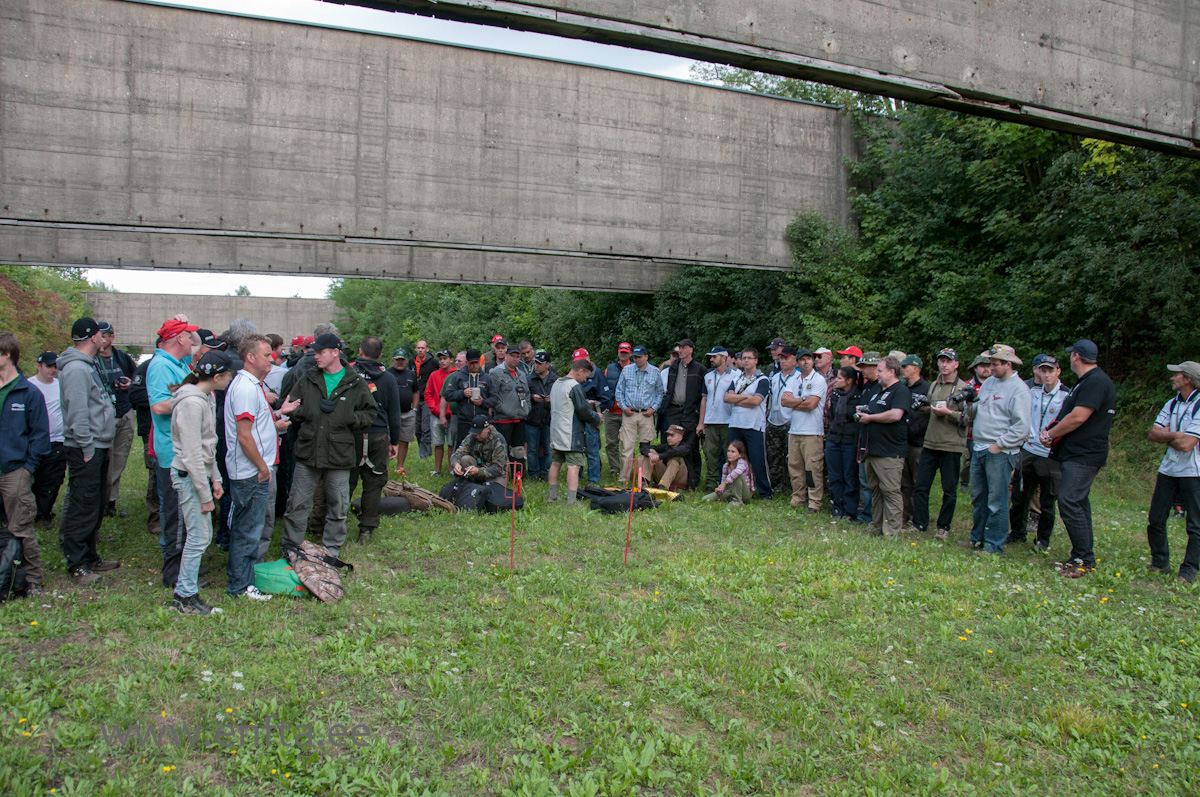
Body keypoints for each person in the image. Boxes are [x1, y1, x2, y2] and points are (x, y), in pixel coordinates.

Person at [282, 334, 377, 559]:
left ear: (335, 352)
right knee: (298, 504)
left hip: (339, 453)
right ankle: (290, 548)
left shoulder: (354, 381)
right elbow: (289, 406)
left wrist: (348, 418)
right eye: (314, 352)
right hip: (309, 451)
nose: (315, 356)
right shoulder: (309, 378)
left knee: (338, 505)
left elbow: (370, 412)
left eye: (320, 352)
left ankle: (331, 549)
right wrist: (306, 412)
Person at [225, 334, 299, 599]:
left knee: (254, 528)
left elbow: (256, 426)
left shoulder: (253, 385)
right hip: (251, 472)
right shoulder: (245, 388)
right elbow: (244, 435)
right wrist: (262, 467)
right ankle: (240, 586)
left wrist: (279, 413)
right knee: (247, 531)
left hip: (257, 468)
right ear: (250, 357)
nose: (273, 359)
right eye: (267, 355)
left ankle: (246, 578)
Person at [1041, 339, 1116, 579]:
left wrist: (1051, 434)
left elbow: (1078, 417)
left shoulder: (1095, 382)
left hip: (1084, 454)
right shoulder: (1088, 381)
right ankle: (1081, 556)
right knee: (1078, 503)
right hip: (1076, 452)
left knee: (1069, 501)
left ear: (1076, 356)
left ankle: (1084, 559)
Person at [169, 351, 233, 614]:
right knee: (198, 537)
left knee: (202, 535)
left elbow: (209, 445)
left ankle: (186, 592)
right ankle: (184, 597)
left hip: (200, 476)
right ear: (217, 376)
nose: (230, 380)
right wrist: (205, 495)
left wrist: (215, 477)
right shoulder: (191, 403)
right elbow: (192, 454)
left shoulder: (206, 396)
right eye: (228, 375)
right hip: (188, 476)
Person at [57, 317, 120, 585]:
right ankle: (77, 563)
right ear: (93, 337)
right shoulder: (76, 369)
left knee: (94, 503)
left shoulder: (88, 365)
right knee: (83, 503)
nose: (104, 339)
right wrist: (86, 445)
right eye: (100, 335)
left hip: (98, 443)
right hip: (86, 446)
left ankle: (90, 555)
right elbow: (77, 412)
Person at [959, 345, 1031, 555]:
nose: (990, 368)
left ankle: (994, 545)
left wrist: (999, 445)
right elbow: (976, 411)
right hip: (979, 446)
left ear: (1009, 364)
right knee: (978, 496)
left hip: (999, 450)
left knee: (996, 500)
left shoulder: (1018, 389)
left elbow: (1021, 426)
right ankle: (977, 538)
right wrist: (969, 402)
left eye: (995, 364)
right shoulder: (989, 383)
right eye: (989, 363)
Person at [148, 317, 200, 589]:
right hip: (172, 455)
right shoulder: (160, 366)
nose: (193, 339)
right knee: (176, 517)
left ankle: (184, 569)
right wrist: (195, 397)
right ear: (179, 339)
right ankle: (174, 575)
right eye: (189, 335)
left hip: (184, 451)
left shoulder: (179, 364)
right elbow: (158, 406)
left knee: (186, 515)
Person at [0, 331, 50, 594]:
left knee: (20, 527)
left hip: (15, 470)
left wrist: (26, 469)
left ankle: (32, 580)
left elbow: (41, 437)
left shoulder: (28, 392)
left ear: (6, 355)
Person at [1008, 355, 1070, 551]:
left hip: (1049, 454)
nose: (1046, 375)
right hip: (1028, 450)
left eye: (1050, 371)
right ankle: (1017, 533)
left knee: (1047, 499)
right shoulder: (1032, 391)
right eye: (1043, 370)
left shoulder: (1066, 396)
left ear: (1058, 372)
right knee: (1019, 494)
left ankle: (1042, 540)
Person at [1146, 361, 1200, 583]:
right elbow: (1153, 434)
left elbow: (1188, 445)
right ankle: (1160, 563)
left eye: (1176, 375)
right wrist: (1177, 435)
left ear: (1187, 378)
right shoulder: (1171, 404)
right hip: (1168, 470)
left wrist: (1170, 435)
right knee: (1156, 518)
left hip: (1193, 472)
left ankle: (1188, 571)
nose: (1172, 378)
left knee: (1195, 525)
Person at [911, 349, 968, 539]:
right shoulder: (934, 385)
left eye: (948, 361)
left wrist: (949, 414)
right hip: (930, 443)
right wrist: (924, 408)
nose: (944, 365)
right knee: (921, 486)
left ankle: (944, 527)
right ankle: (919, 523)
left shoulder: (963, 388)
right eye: (941, 361)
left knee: (949, 490)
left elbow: (968, 419)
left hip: (951, 445)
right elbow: (929, 413)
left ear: (956, 365)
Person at [349, 337, 400, 543]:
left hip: (351, 432)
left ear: (360, 351)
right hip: (378, 434)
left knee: (345, 479)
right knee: (374, 482)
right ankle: (367, 528)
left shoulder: (348, 373)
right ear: (380, 355)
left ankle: (335, 522)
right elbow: (394, 413)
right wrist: (394, 441)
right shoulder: (387, 378)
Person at [855, 356, 911, 538]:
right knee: (875, 490)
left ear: (892, 372)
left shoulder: (900, 391)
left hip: (890, 451)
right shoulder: (879, 391)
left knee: (890, 491)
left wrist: (870, 418)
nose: (876, 374)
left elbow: (895, 415)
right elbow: (877, 410)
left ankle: (892, 531)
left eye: (880, 370)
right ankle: (876, 524)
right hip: (872, 449)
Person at [95, 321, 136, 518]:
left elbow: (137, 379)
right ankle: (99, 502)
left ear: (112, 338)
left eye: (105, 336)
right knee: (104, 460)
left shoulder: (122, 358)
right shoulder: (91, 360)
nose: (102, 340)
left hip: (124, 411)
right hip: (103, 416)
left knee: (119, 459)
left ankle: (111, 502)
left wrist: (130, 386)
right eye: (98, 335)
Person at [548, 358, 602, 504]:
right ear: (580, 371)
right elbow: (583, 411)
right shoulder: (574, 386)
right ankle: (571, 501)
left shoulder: (556, 383)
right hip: (571, 432)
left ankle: (552, 496)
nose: (585, 379)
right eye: (586, 375)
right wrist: (596, 417)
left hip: (556, 430)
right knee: (574, 465)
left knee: (556, 462)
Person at [782, 348, 827, 513]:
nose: (806, 362)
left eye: (809, 359)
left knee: (812, 468)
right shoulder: (794, 379)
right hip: (795, 430)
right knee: (794, 466)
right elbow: (783, 401)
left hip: (812, 431)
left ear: (813, 361)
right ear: (798, 362)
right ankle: (798, 498)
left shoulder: (818, 380)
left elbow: (811, 405)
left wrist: (796, 401)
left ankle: (814, 502)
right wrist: (802, 399)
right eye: (802, 359)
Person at [725, 347, 773, 499]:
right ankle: (737, 490)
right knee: (735, 459)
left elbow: (756, 401)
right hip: (736, 423)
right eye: (744, 358)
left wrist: (737, 398)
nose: (746, 360)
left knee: (757, 459)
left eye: (749, 358)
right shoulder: (737, 379)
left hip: (754, 425)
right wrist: (746, 397)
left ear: (756, 360)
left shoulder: (762, 380)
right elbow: (726, 398)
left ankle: (765, 492)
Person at [614, 346, 662, 484]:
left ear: (646, 357)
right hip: (629, 414)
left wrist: (653, 408)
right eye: (635, 357)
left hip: (646, 415)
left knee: (645, 449)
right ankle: (623, 479)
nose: (637, 359)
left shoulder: (654, 371)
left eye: (639, 357)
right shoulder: (627, 370)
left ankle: (642, 479)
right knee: (626, 448)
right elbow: (619, 391)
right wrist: (624, 407)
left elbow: (660, 393)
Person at [30, 351, 66, 529]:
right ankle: (31, 511)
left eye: (55, 367)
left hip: (57, 439)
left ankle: (44, 513)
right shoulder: (29, 385)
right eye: (49, 366)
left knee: (53, 479)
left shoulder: (60, 385)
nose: (53, 370)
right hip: (34, 440)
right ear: (39, 366)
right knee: (33, 478)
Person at [128, 344, 161, 537]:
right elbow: (134, 394)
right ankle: (155, 518)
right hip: (151, 427)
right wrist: (161, 399)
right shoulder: (148, 367)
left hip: (168, 430)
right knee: (155, 474)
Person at [662, 339, 704, 487]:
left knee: (691, 445)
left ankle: (693, 479)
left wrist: (698, 408)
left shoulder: (699, 369)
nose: (680, 350)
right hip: (674, 409)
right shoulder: (673, 367)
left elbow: (703, 392)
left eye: (684, 348)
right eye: (679, 348)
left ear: (691, 350)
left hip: (690, 411)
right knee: (672, 441)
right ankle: (671, 477)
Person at [825, 366, 864, 519]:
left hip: (849, 440)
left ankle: (850, 510)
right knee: (834, 476)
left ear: (849, 381)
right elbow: (831, 415)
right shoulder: (835, 395)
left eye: (840, 378)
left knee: (849, 476)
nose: (836, 381)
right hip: (834, 439)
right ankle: (837, 507)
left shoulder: (859, 397)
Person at [698, 345, 738, 492]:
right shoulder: (708, 376)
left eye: (714, 357)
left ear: (724, 357)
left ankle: (729, 484)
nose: (711, 359)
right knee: (710, 453)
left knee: (730, 455)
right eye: (710, 357)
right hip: (711, 421)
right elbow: (704, 399)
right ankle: (711, 483)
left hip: (729, 420)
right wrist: (701, 423)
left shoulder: (736, 375)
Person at [490, 346, 531, 477]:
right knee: (502, 448)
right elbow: (493, 395)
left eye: (517, 356)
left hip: (520, 417)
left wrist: (527, 409)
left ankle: (518, 476)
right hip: (503, 418)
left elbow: (527, 394)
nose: (515, 359)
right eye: (512, 356)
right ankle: (501, 475)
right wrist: (503, 409)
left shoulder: (521, 374)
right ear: (506, 356)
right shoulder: (496, 373)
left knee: (518, 449)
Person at [899, 355, 931, 526]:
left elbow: (930, 415)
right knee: (904, 483)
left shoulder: (927, 388)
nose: (902, 369)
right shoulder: (903, 388)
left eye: (905, 366)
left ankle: (918, 518)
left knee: (918, 482)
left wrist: (919, 431)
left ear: (916, 368)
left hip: (918, 442)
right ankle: (905, 515)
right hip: (903, 441)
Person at [959, 353, 994, 493]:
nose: (986, 369)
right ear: (975, 368)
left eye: (988, 365)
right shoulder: (967, 386)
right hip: (969, 430)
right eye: (982, 366)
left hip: (988, 431)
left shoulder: (994, 385)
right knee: (968, 460)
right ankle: (965, 482)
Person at [446, 349, 497, 444]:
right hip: (464, 421)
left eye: (476, 363)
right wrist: (462, 393)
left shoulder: (487, 378)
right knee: (462, 450)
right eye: (471, 363)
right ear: (466, 362)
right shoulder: (458, 377)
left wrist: (483, 403)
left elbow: (494, 399)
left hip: (483, 421)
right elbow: (448, 395)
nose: (474, 365)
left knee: (482, 449)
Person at [765, 346, 798, 494]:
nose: (783, 361)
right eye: (781, 358)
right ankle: (777, 486)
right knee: (773, 455)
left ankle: (793, 486)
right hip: (773, 420)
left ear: (794, 360)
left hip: (789, 420)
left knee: (791, 457)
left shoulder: (798, 378)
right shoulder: (775, 377)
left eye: (786, 358)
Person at [854, 352, 882, 522]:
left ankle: (872, 515)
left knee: (872, 481)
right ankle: (866, 512)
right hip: (862, 436)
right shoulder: (867, 386)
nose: (862, 370)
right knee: (863, 478)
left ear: (875, 367)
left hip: (876, 438)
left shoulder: (882, 387)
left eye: (864, 367)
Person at [601, 343, 633, 476]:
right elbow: (604, 386)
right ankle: (615, 469)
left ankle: (628, 470)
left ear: (630, 353)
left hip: (628, 413)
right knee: (610, 443)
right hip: (611, 411)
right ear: (618, 353)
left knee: (628, 443)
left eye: (626, 352)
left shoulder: (634, 368)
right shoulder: (609, 368)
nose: (623, 354)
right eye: (621, 351)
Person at [449, 415, 509, 486]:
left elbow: (498, 469)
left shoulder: (498, 441)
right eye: (475, 432)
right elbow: (458, 453)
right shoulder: (471, 437)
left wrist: (478, 471)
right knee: (465, 459)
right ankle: (470, 484)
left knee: (496, 487)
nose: (476, 435)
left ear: (488, 429)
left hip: (494, 475)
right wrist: (456, 464)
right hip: (477, 470)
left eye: (479, 432)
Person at [525, 352, 556, 480]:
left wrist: (552, 399)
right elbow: (523, 396)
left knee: (549, 449)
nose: (536, 366)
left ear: (547, 365)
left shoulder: (555, 379)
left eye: (540, 363)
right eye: (535, 363)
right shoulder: (529, 379)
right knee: (532, 449)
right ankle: (534, 474)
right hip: (532, 418)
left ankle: (547, 473)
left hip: (549, 419)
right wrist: (532, 398)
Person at [425, 350, 455, 476]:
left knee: (451, 443)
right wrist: (435, 410)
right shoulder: (434, 375)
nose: (442, 361)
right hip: (436, 414)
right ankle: (437, 470)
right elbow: (428, 394)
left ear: (451, 360)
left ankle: (451, 469)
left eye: (445, 358)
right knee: (438, 443)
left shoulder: (456, 375)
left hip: (452, 414)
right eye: (441, 359)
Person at [640, 424, 696, 491]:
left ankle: (663, 487)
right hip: (666, 476)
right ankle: (645, 483)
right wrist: (650, 454)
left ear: (680, 438)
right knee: (650, 452)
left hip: (681, 478)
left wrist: (659, 456)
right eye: (668, 435)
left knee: (676, 458)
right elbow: (644, 448)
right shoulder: (666, 446)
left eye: (672, 436)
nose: (668, 438)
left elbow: (676, 452)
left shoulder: (686, 446)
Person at [387, 348, 418, 468]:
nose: (399, 362)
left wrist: (414, 409)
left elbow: (415, 391)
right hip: (391, 413)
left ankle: (400, 467)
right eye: (397, 359)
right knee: (387, 440)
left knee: (404, 440)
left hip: (407, 412)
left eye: (402, 359)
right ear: (392, 360)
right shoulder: (387, 374)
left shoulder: (411, 374)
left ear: (406, 361)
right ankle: (386, 466)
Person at [702, 441, 755, 505]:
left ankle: (737, 501)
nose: (729, 454)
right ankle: (731, 498)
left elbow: (737, 472)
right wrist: (720, 490)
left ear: (740, 455)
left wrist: (724, 483)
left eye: (733, 452)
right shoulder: (726, 466)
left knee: (737, 476)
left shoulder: (742, 463)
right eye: (728, 451)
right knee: (705, 499)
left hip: (745, 493)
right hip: (731, 490)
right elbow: (723, 481)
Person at [411, 339, 435, 460]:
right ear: (416, 349)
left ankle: (425, 453)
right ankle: (422, 448)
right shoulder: (411, 362)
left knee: (426, 427)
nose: (420, 350)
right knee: (417, 427)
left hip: (427, 398)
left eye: (422, 348)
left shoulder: (432, 363)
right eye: (418, 348)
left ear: (427, 349)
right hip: (415, 398)